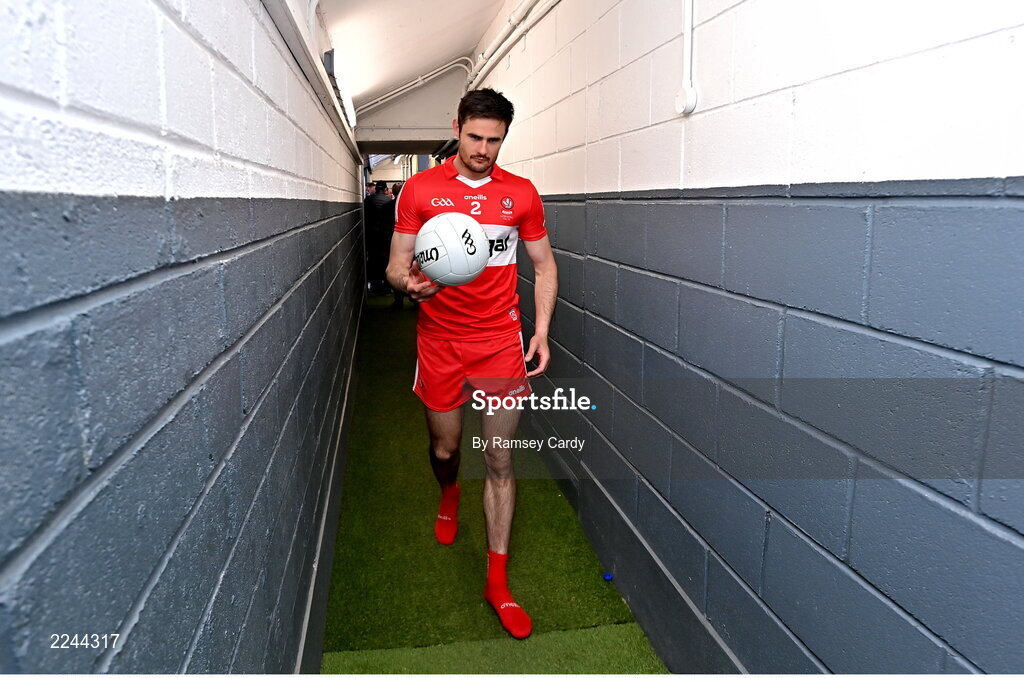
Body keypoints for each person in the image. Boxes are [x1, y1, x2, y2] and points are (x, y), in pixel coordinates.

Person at [386, 88, 557, 640]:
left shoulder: (522, 194)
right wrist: (407, 283)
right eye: (475, 137)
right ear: (455, 127)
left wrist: (542, 331)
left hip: (499, 341)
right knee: (446, 449)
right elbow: (394, 267)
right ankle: (449, 491)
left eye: (495, 140)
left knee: (501, 461)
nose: (483, 149)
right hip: (439, 339)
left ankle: (497, 582)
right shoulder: (420, 189)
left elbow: (545, 267)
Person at [364, 180, 393, 293]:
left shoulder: (368, 200)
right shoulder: (388, 201)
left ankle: (375, 285)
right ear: (385, 190)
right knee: (386, 260)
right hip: (385, 236)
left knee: (373, 260)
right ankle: (387, 285)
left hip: (371, 236)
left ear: (376, 189)